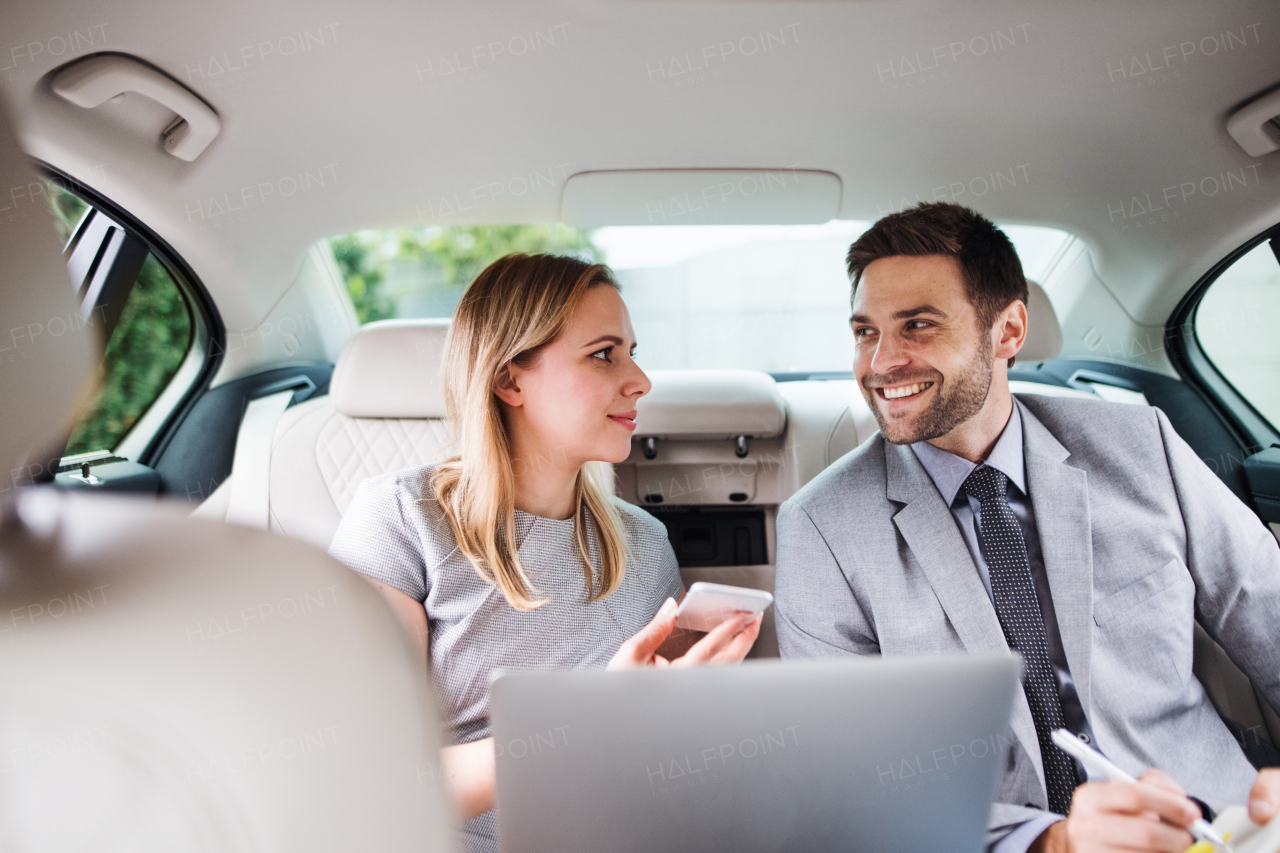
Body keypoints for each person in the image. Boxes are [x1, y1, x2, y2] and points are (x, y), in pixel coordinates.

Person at [773, 202, 1280, 853]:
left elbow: (1267, 610)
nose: (882, 361)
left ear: (1008, 329)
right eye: (865, 332)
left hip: (1219, 826)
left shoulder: (1140, 447)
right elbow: (851, 780)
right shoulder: (821, 527)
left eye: (918, 325)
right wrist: (1055, 841)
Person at [328, 253, 761, 853]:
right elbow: (368, 788)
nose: (639, 380)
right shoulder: (402, 520)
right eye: (603, 353)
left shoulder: (642, 541)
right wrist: (595, 719)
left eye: (634, 351)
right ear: (510, 381)